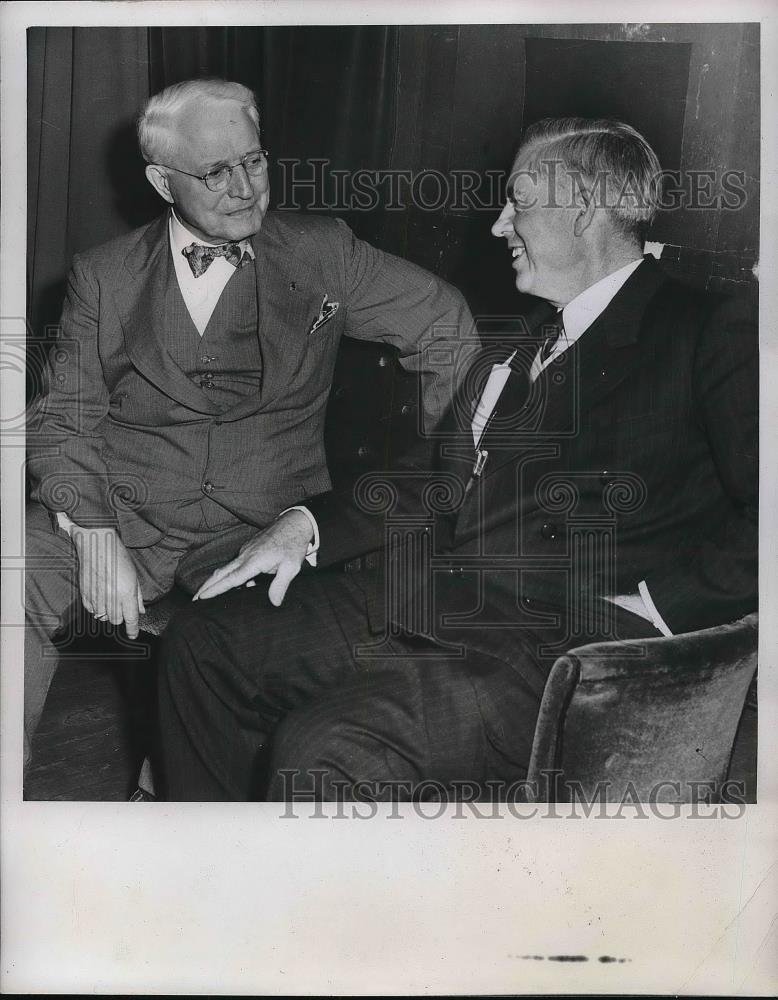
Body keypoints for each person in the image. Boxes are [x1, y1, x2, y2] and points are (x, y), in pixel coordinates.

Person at [156, 117, 758, 802]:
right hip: (446, 603)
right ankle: (220, 877)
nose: (500, 225)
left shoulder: (707, 328)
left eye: (519, 203)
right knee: (205, 644)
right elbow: (428, 484)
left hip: (565, 653)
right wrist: (304, 525)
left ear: (583, 209)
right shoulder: (520, 347)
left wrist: (658, 608)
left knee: (326, 749)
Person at [24, 78, 475, 769]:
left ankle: (190, 797)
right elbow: (63, 419)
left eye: (254, 161)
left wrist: (445, 490)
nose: (244, 189)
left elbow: (444, 326)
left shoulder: (325, 252)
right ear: (162, 181)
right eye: (214, 172)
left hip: (261, 530)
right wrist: (90, 529)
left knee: (259, 647)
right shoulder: (104, 276)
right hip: (125, 517)